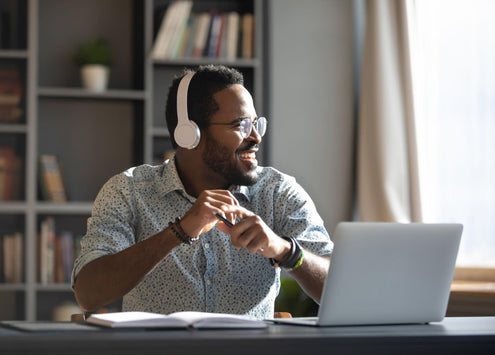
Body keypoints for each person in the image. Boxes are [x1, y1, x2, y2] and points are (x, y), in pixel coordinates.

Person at [72, 65, 333, 319]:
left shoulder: (278, 192)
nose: (256, 137)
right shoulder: (129, 191)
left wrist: (286, 251)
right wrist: (179, 232)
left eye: (256, 124)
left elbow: (341, 285)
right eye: (241, 125)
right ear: (190, 134)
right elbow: (88, 293)